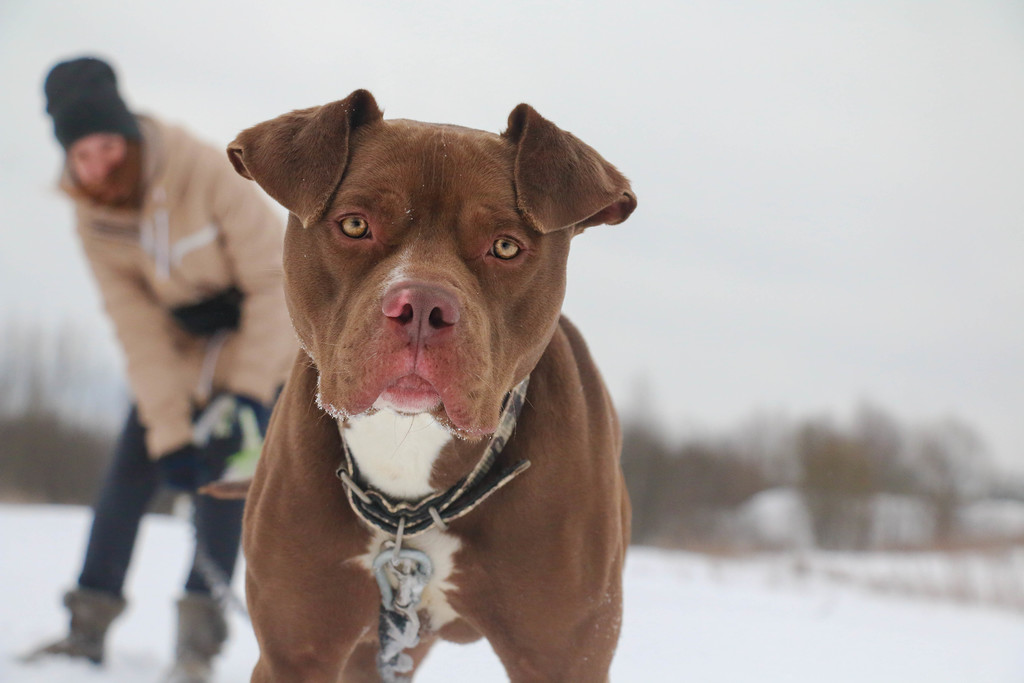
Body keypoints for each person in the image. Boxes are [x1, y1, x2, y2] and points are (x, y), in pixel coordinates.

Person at [28, 56, 296, 682]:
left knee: (224, 489)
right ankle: (85, 628)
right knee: (128, 473)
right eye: (80, 156)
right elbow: (136, 326)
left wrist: (249, 396)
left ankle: (195, 649)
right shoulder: (92, 212)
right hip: (175, 357)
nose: (95, 167)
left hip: (254, 347)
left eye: (104, 148)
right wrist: (170, 434)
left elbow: (274, 283)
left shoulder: (204, 170)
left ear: (125, 133)